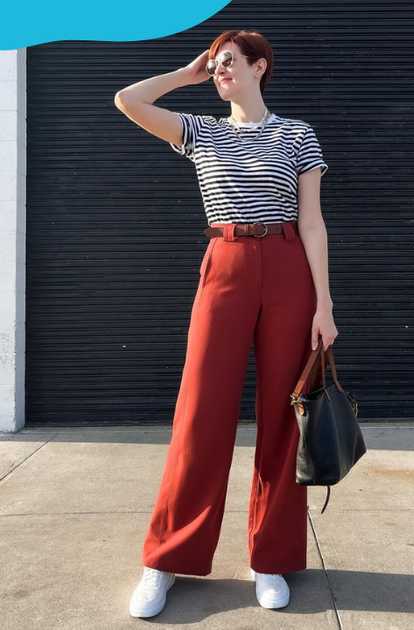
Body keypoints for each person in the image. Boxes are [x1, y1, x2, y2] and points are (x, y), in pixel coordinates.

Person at [113, 30, 338, 618]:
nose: (220, 72)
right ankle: (164, 558)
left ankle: (271, 558)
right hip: (226, 263)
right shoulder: (200, 131)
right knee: (200, 410)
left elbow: (313, 224)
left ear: (260, 66)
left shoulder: (297, 134)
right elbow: (128, 100)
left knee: (282, 417)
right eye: (215, 66)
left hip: (289, 266)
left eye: (229, 63)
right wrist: (186, 75)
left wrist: (325, 305)